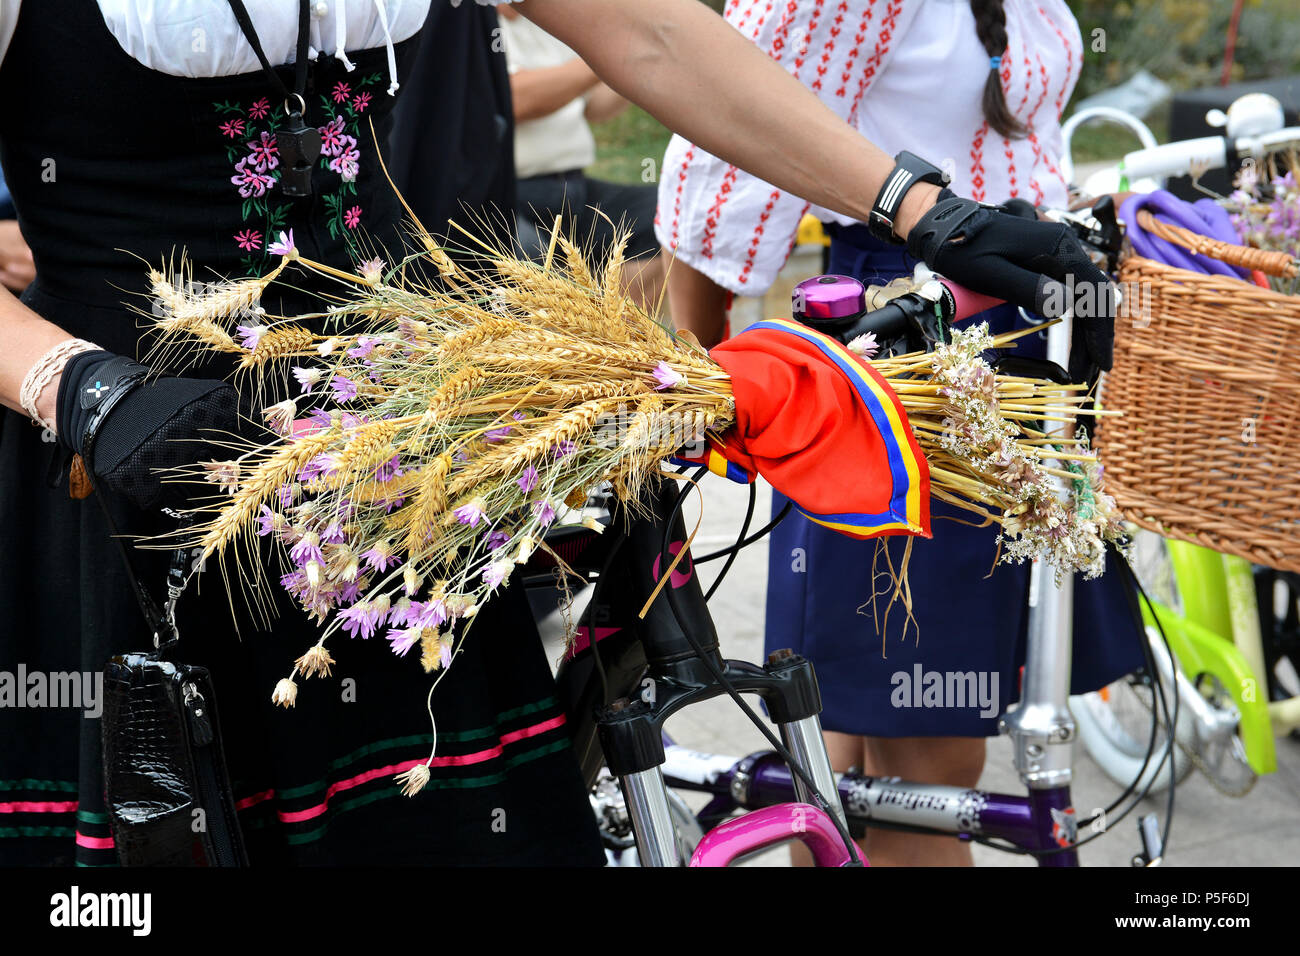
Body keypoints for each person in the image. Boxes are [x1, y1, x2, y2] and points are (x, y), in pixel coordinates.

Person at [0, 0, 1107, 866]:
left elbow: (654, 30)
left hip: (397, 459)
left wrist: (916, 204)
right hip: (132, 466)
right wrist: (78, 386)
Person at [656, 0, 1141, 866]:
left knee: (859, 725)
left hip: (1015, 321)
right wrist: (700, 369)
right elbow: (724, 148)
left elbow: (1020, 129)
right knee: (922, 749)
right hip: (910, 327)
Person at [496, 6, 665, 310]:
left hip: (572, 187)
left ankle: (621, 340)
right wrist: (605, 57)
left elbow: (595, 107)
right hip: (510, 196)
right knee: (529, 252)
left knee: (667, 215)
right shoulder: (471, 23)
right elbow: (514, 99)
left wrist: (638, 62)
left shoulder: (546, 19)